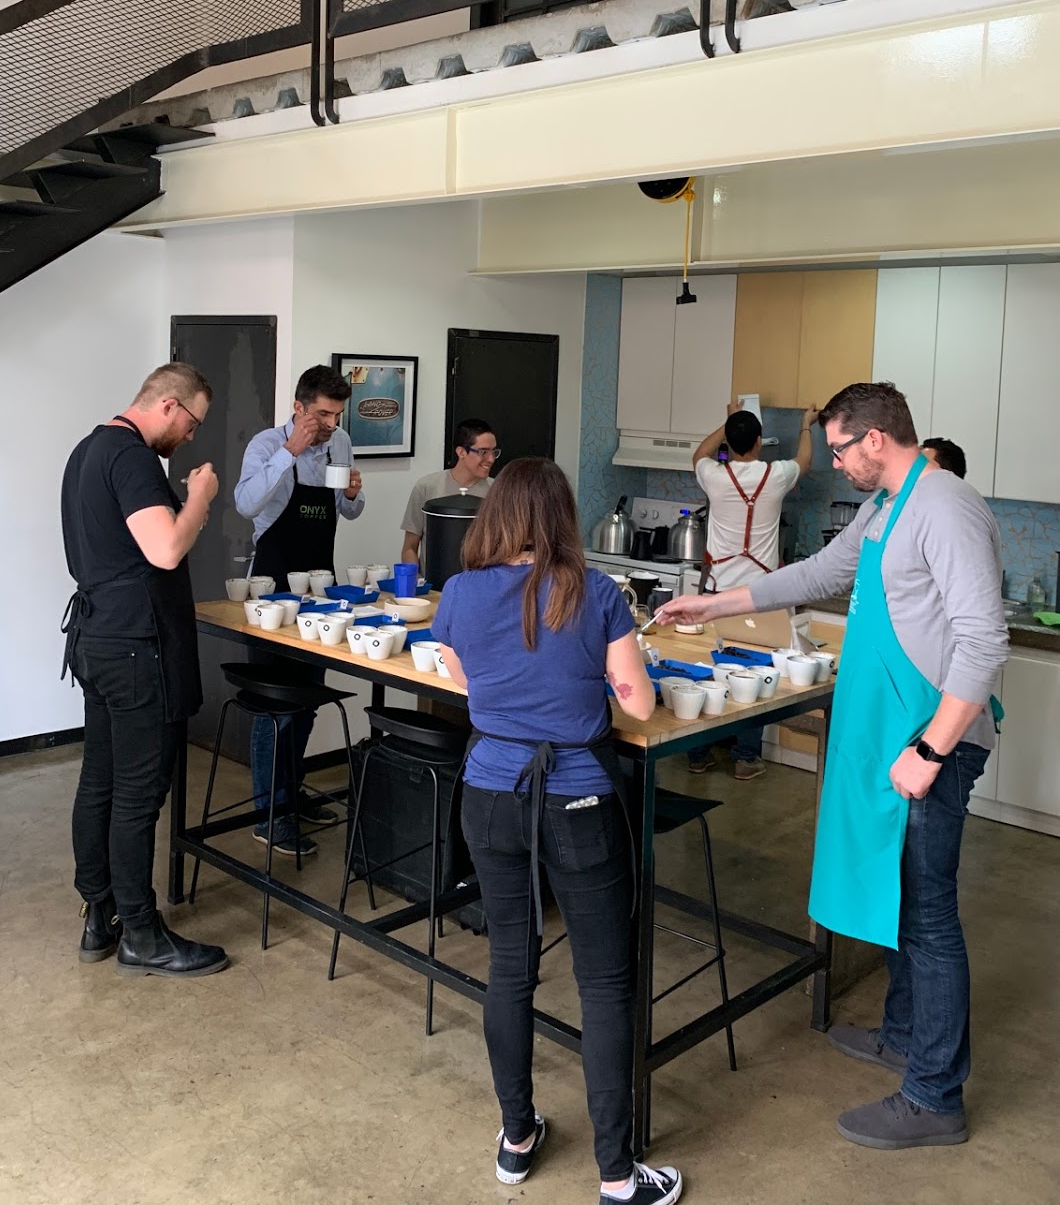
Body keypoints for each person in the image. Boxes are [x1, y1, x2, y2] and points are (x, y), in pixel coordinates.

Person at [659, 382, 1007, 1150]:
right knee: (900, 900)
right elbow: (816, 574)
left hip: (931, 742)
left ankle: (934, 1095)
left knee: (928, 918)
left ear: (875, 439)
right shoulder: (889, 507)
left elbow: (984, 642)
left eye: (843, 448)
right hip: (898, 734)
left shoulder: (945, 508)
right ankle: (903, 1036)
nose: (838, 463)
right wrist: (712, 605)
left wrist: (930, 750)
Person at [432, 458, 682, 1205]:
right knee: (605, 985)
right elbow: (636, 704)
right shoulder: (593, 591)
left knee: (511, 964)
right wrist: (597, 688)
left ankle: (516, 1139)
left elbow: (461, 676)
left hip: (488, 793)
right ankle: (615, 1175)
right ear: (561, 518)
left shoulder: (461, 593)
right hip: (576, 799)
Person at [61, 362, 228, 978]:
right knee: (135, 796)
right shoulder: (131, 457)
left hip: (99, 638)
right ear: (167, 406)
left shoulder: (86, 450)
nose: (190, 438)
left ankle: (97, 913)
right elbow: (164, 549)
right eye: (192, 423)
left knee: (99, 781)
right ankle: (140, 932)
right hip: (136, 649)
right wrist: (200, 500)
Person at [235, 364, 365, 857]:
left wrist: (353, 494)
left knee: (307, 699)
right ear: (298, 407)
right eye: (322, 414)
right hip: (270, 590)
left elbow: (348, 511)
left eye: (336, 415)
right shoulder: (266, 445)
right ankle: (270, 813)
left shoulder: (341, 442)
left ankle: (291, 794)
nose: (330, 424)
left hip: (320, 587)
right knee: (276, 707)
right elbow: (246, 505)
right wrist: (289, 455)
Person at [687, 400, 818, 780]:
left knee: (712, 669)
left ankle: (697, 753)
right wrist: (806, 425)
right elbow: (805, 461)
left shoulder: (713, 475)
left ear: (730, 440)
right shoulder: (775, 475)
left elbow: (700, 453)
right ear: (759, 442)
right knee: (755, 672)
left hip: (717, 590)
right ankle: (745, 758)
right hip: (761, 593)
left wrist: (727, 421)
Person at [400, 419, 499, 566]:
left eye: (494, 452)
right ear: (461, 452)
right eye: (483, 452)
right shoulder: (427, 486)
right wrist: (416, 582)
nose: (490, 459)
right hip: (434, 585)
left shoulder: (498, 491)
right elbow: (409, 548)